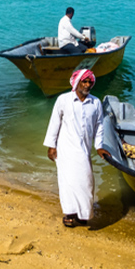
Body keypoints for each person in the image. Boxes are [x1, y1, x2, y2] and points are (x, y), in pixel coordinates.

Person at [43, 69, 111, 228]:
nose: (87, 85)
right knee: (67, 182)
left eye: (90, 82)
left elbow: (99, 126)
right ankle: (70, 213)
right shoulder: (63, 100)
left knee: (86, 181)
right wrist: (51, 146)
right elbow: (55, 122)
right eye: (84, 81)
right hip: (65, 147)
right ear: (77, 82)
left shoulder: (95, 103)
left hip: (83, 149)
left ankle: (83, 214)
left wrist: (99, 146)